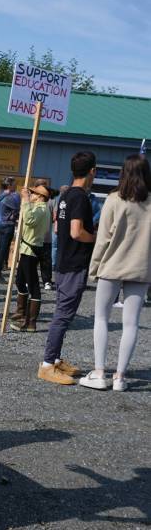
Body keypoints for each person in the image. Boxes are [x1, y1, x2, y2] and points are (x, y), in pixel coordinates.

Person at [79, 154, 151, 391]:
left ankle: (99, 373)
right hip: (140, 268)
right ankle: (120, 377)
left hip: (112, 265)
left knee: (101, 318)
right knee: (131, 324)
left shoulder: (113, 199)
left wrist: (95, 266)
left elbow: (103, 239)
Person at [38, 151, 97, 385]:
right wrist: (96, 237)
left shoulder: (64, 195)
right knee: (62, 316)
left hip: (63, 260)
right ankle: (47, 363)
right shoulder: (80, 197)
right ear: (92, 171)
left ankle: (55, 359)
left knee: (62, 314)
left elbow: (57, 228)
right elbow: (76, 231)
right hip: (74, 263)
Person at [9, 183, 51, 331]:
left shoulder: (42, 209)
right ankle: (21, 312)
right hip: (26, 249)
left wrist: (26, 201)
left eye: (33, 194)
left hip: (31, 251)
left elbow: (29, 220)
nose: (31, 195)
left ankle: (31, 322)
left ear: (40, 197)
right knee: (20, 281)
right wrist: (26, 201)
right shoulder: (37, 208)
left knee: (33, 286)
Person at [0, 177, 20, 281]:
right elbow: (17, 209)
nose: (16, 185)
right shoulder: (13, 196)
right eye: (15, 183)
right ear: (10, 185)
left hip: (0, 224)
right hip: (8, 225)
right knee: (3, 249)